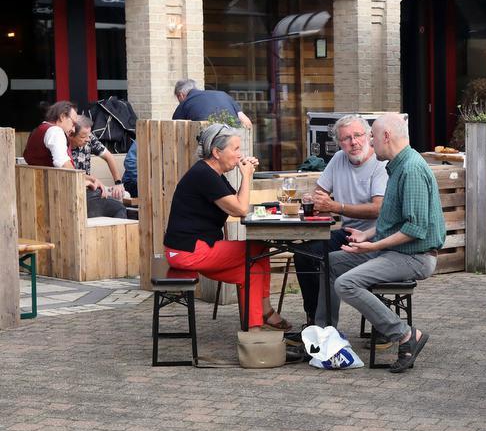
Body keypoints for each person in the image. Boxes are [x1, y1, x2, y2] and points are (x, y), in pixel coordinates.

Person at [316, 112, 444, 372]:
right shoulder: (397, 166)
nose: (370, 143)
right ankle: (323, 335)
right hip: (396, 250)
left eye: (371, 136)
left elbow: (415, 228)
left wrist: (374, 246)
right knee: (330, 263)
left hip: (414, 256)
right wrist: (367, 235)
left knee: (346, 283)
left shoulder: (411, 169)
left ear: (386, 136)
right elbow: (395, 219)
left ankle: (406, 335)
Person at [162, 123, 286, 331]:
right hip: (188, 251)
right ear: (216, 152)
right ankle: (264, 313)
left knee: (253, 267)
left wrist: (246, 173)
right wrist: (246, 175)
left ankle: (254, 328)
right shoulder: (204, 174)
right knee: (259, 248)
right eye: (236, 149)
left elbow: (236, 202)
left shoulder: (213, 174)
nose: (240, 155)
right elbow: (240, 209)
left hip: (197, 248)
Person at [293, 115, 388, 325]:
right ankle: (314, 320)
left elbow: (378, 209)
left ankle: (327, 325)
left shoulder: (380, 163)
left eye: (357, 136)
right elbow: (319, 193)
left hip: (377, 237)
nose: (353, 142)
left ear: (369, 136)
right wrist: (314, 200)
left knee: (328, 260)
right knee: (304, 255)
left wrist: (336, 207)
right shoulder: (338, 159)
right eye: (346, 138)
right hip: (348, 232)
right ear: (339, 143)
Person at [22, 101, 126, 219]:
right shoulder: (56, 132)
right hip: (60, 194)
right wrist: (83, 182)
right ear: (62, 117)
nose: (73, 128)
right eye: (73, 123)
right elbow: (62, 165)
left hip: (43, 190)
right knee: (119, 207)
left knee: (102, 192)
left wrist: (91, 179)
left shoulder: (38, 130)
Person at [172, 78, 253, 129]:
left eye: (178, 98)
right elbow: (247, 122)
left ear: (181, 95)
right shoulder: (223, 95)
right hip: (233, 143)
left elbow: (175, 130)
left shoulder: (184, 103)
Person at [68, 115, 122, 184]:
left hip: (88, 186)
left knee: (124, 194)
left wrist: (118, 183)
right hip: (69, 186)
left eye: (89, 135)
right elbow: (71, 173)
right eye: (83, 136)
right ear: (71, 134)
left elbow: (109, 157)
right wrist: (93, 180)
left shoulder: (90, 138)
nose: (88, 139)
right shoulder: (62, 146)